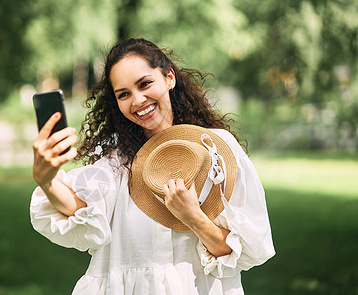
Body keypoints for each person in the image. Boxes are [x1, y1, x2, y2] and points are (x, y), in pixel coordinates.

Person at [30, 38, 275, 294]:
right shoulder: (118, 162)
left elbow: (238, 251)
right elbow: (80, 209)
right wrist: (45, 180)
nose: (137, 100)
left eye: (145, 84)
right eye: (123, 94)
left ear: (169, 78)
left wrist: (192, 216)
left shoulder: (216, 150)